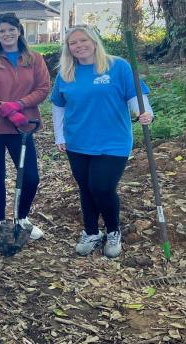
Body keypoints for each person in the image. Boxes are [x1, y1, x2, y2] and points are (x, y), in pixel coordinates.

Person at [51, 25, 153, 258]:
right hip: (77, 141)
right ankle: (90, 231)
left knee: (102, 187)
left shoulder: (118, 66)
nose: (79, 46)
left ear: (94, 41)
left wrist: (144, 113)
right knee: (86, 188)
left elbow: (136, 96)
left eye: (83, 40)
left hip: (113, 141)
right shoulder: (66, 73)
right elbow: (58, 106)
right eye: (73, 43)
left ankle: (113, 230)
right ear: (68, 48)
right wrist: (60, 135)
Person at [0, 14, 50, 244]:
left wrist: (19, 105)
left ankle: (22, 218)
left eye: (11, 29)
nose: (7, 34)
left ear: (19, 30)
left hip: (22, 125)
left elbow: (43, 88)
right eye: (2, 31)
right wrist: (3, 108)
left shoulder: (35, 59)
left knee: (31, 177)